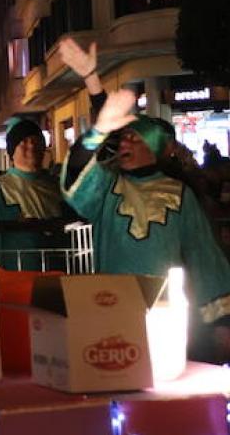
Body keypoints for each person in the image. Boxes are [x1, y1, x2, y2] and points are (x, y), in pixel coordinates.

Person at [63, 89, 230, 355]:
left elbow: (203, 256)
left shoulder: (179, 194)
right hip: (112, 308)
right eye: (124, 139)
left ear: (154, 147)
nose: (124, 145)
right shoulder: (107, 185)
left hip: (167, 314)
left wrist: (221, 322)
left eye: (134, 139)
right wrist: (98, 130)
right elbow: (76, 180)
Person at [0, 116, 67, 271]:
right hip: (16, 284)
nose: (31, 145)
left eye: (36, 140)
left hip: (61, 278)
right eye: (23, 142)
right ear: (12, 151)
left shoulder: (57, 186)